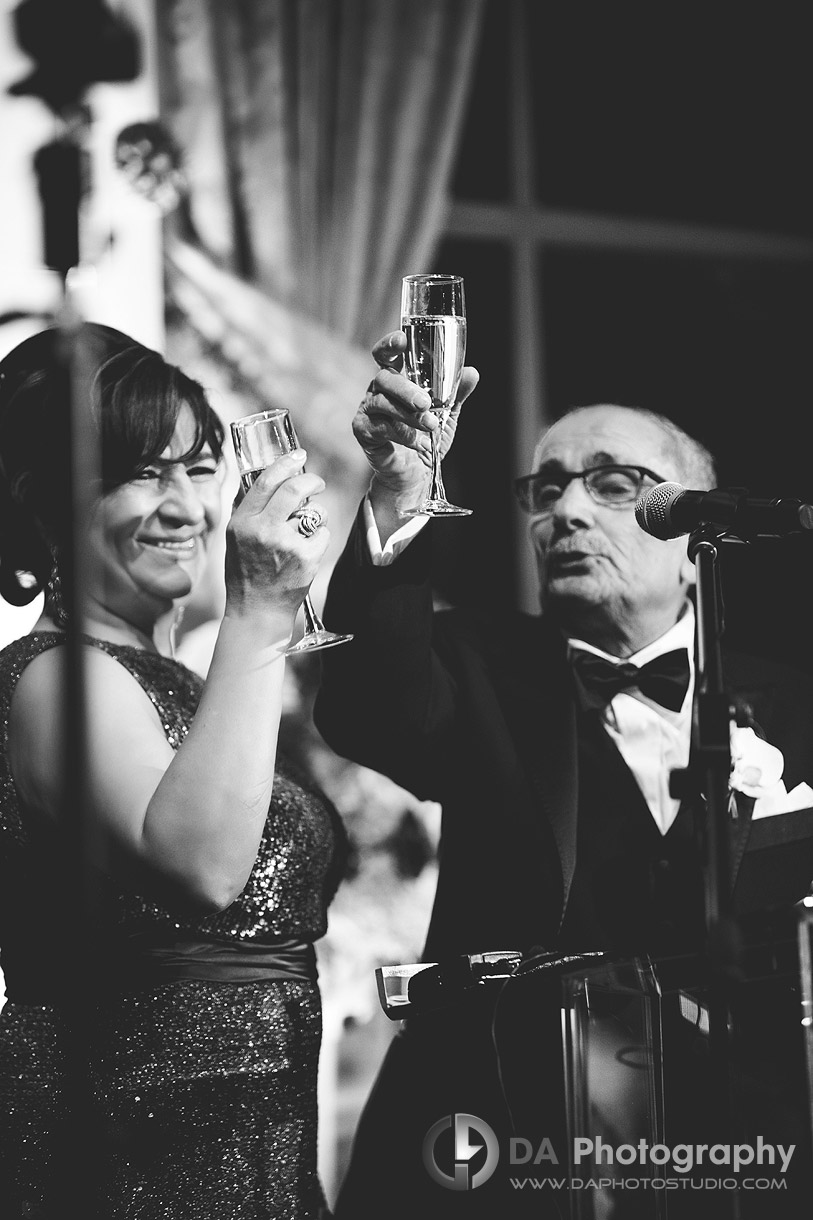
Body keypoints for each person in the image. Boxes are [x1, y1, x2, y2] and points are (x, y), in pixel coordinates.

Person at [313, 331, 813, 1218]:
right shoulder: (479, 665)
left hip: (746, 1142)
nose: (566, 511)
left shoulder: (795, 701)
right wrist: (397, 494)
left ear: (696, 522)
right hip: (502, 1140)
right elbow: (366, 707)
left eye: (612, 483)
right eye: (545, 489)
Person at [0, 322, 347, 1219]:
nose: (185, 506)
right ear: (41, 506)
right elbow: (202, 865)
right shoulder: (58, 677)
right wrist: (263, 605)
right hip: (122, 1168)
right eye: (136, 472)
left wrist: (389, 499)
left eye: (197, 469)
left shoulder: (190, 685)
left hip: (263, 1161)